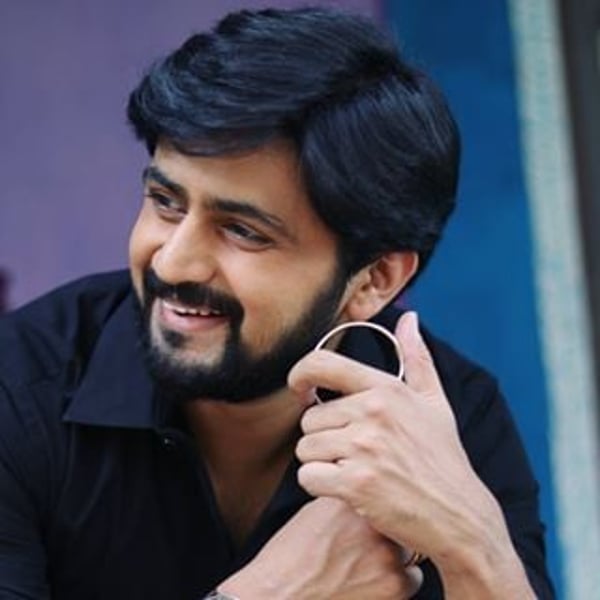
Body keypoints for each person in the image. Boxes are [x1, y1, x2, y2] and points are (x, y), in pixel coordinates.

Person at [0, 7, 554, 599]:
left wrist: (472, 543)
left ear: (374, 280)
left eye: (243, 231)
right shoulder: (17, 387)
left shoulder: (448, 417)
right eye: (165, 202)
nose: (173, 264)